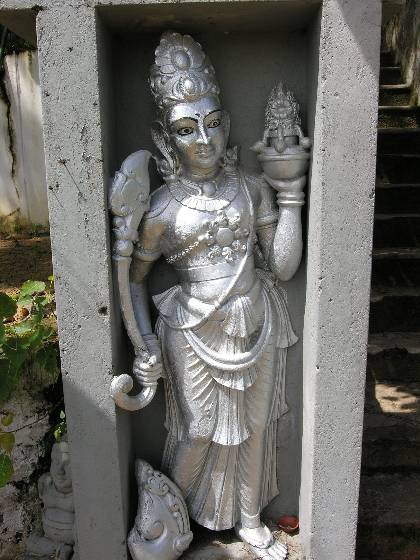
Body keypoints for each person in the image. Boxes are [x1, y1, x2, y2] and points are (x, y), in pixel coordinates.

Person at [130, 32, 304, 559]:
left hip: (256, 319)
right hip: (190, 328)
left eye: (211, 123)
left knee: (257, 426)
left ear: (226, 123)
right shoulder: (161, 209)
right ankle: (172, 525)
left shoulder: (250, 188)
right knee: (199, 430)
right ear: (166, 137)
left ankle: (250, 520)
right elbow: (134, 279)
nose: (203, 140)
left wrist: (290, 193)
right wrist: (143, 341)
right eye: (187, 130)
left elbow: (282, 265)